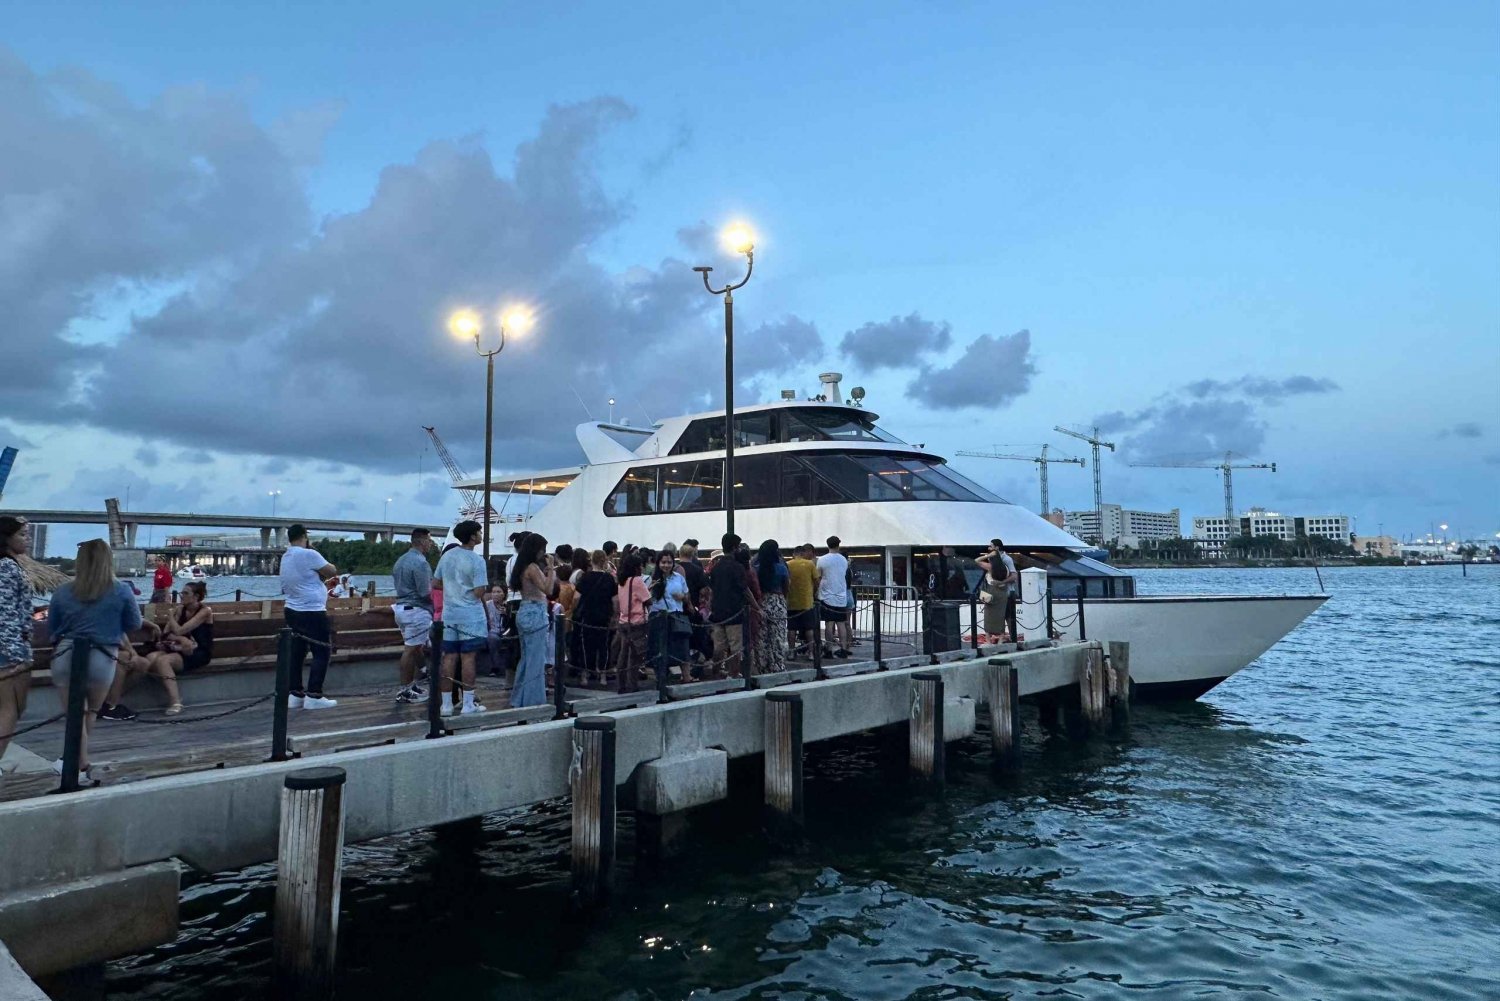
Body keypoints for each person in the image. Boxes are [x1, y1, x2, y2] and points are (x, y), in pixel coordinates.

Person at [44, 539, 142, 782]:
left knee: (75, 713)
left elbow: (53, 627)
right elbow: (135, 624)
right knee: (90, 712)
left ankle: (73, 761)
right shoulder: (121, 590)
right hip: (103, 654)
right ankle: (81, 762)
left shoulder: (63, 591)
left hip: (66, 654)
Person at [279, 524, 339, 709]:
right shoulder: (309, 554)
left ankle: (295, 693)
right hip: (311, 610)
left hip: (292, 609)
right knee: (321, 651)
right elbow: (331, 571)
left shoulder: (286, 556)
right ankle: (314, 695)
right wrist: (312, 550)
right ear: (304, 536)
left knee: (297, 652)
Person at [434, 521, 489, 716]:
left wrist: (452, 590)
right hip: (470, 614)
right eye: (479, 532)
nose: (481, 534)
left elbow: (436, 582)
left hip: (450, 613)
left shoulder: (447, 556)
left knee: (449, 657)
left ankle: (446, 704)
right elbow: (479, 590)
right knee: (468, 658)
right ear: (473, 536)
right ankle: (467, 703)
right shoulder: (477, 560)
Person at [0, 517, 33, 768]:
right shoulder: (7, 567)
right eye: (22, 535)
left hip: (9, 647)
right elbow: (5, 613)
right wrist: (17, 654)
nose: (27, 539)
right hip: (10, 651)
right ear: (7, 537)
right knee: (10, 710)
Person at [509, 533, 556, 707]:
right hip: (536, 611)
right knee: (536, 660)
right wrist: (551, 568)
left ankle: (519, 698)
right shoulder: (532, 568)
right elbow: (548, 589)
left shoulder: (521, 567)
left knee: (526, 658)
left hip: (524, 609)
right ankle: (533, 701)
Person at [391, 528, 434, 703]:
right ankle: (404, 689)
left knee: (416, 646)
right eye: (430, 541)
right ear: (423, 541)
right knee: (410, 649)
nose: (431, 544)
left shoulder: (400, 561)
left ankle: (415, 681)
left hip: (402, 608)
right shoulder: (421, 563)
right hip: (417, 610)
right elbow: (425, 592)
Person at [708, 532, 751, 678]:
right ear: (734, 547)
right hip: (734, 611)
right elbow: (745, 590)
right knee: (735, 646)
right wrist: (757, 606)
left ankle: (716, 671)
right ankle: (734, 674)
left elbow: (712, 590)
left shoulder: (716, 567)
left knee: (718, 646)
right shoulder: (737, 567)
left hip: (718, 611)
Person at [572, 550, 617, 685]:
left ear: (591, 560)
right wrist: (615, 615)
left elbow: (576, 598)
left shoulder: (585, 577)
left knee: (586, 645)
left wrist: (575, 611)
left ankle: (585, 675)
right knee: (603, 645)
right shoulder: (609, 578)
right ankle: (602, 676)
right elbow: (615, 600)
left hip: (587, 616)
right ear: (604, 561)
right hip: (604, 615)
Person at [646, 549, 691, 682]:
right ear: (658, 563)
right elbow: (646, 599)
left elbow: (687, 596)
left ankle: (686, 676)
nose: (666, 565)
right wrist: (650, 590)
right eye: (663, 562)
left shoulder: (679, 577)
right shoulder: (651, 579)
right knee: (659, 649)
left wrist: (682, 597)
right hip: (659, 617)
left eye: (669, 562)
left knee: (681, 647)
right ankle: (661, 677)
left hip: (675, 615)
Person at [609, 552, 650, 692]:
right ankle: (632, 685)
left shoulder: (622, 581)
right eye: (640, 566)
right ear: (636, 567)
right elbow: (647, 600)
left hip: (624, 621)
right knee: (634, 656)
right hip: (637, 621)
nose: (642, 569)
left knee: (623, 654)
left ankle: (621, 685)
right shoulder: (637, 581)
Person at [753, 540, 790, 674]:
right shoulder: (781, 568)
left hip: (761, 602)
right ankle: (777, 664)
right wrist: (782, 599)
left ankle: (762, 664)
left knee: (762, 636)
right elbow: (786, 586)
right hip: (777, 600)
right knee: (777, 635)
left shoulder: (757, 568)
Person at [816, 536, 852, 658]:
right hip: (841, 596)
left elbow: (819, 576)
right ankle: (843, 649)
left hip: (827, 595)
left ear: (827, 545)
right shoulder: (843, 560)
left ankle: (829, 649)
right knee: (841, 623)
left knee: (829, 624)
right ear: (838, 545)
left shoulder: (822, 560)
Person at [976, 538, 1018, 641]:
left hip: (1007, 592)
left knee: (1008, 617)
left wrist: (1002, 582)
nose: (988, 548)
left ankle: (1012, 638)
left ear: (997, 548)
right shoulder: (993, 559)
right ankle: (1001, 638)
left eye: (991, 546)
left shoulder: (1006, 559)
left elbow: (1014, 576)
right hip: (996, 591)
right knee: (996, 615)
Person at [785, 543, 818, 657]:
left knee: (792, 628)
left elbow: (785, 582)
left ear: (794, 554)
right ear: (803, 553)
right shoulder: (810, 564)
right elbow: (816, 581)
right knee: (809, 628)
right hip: (806, 601)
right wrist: (813, 592)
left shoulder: (788, 564)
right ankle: (811, 652)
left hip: (792, 601)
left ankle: (791, 652)